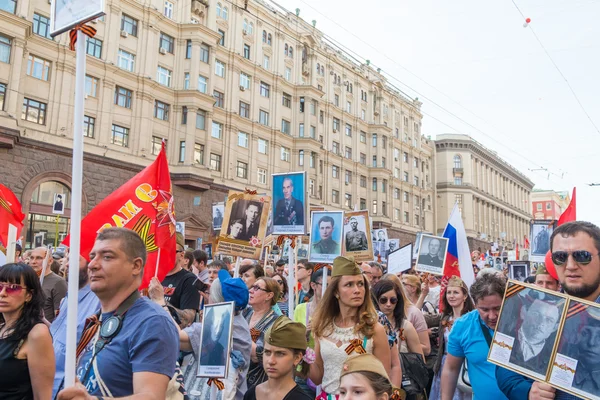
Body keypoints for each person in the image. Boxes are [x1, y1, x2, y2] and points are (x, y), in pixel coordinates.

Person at [57, 227, 179, 399]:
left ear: (136, 266)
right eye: (92, 257)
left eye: (107, 257)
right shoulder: (96, 320)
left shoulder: (152, 322)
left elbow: (150, 396)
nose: (92, 264)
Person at [496, 221, 600, 400]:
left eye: (582, 256)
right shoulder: (535, 307)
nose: (570, 265)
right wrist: (527, 391)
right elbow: (504, 366)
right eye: (560, 257)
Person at [308, 256, 392, 397]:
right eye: (349, 285)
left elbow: (383, 381)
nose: (357, 290)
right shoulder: (321, 327)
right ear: (336, 292)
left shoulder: (374, 329)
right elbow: (317, 378)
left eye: (360, 284)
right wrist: (300, 355)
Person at [178, 269, 252, 400]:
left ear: (217, 299)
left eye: (212, 291)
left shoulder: (214, 328)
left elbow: (173, 336)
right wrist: (213, 300)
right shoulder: (240, 321)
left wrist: (159, 300)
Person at [441, 270, 507, 400]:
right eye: (485, 310)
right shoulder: (462, 327)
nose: (492, 316)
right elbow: (451, 369)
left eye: (497, 308)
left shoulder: (520, 323)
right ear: (475, 305)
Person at [0, 263, 55, 399]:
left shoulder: (37, 333)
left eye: (13, 288)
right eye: (0, 286)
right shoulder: (2, 327)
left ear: (29, 295)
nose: (2, 293)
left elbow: (43, 396)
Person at [51, 254, 101, 398]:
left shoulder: (99, 300)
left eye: (74, 258)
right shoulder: (69, 295)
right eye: (67, 259)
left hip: (70, 390)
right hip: (49, 386)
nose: (66, 264)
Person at [244, 316, 311, 400]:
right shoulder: (251, 394)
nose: (271, 361)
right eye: (267, 352)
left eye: (280, 354)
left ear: (297, 358)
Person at [430, 276, 475, 400]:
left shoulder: (472, 319)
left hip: (463, 365)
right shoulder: (444, 318)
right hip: (444, 364)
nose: (451, 296)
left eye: (456, 292)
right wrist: (423, 295)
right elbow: (417, 317)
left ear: (465, 296)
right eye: (449, 292)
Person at [294, 268, 331, 398]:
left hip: (328, 373)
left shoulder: (335, 312)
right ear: (313, 285)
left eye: (332, 286)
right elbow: (293, 341)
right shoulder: (301, 309)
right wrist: (306, 332)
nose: (328, 289)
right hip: (305, 372)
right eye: (325, 285)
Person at [151, 233, 201, 328]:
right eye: (161, 251)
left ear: (182, 255)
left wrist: (161, 300)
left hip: (173, 337)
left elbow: (188, 319)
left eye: (170, 251)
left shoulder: (189, 279)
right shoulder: (154, 277)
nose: (164, 255)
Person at [242, 277, 280, 388]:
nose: (251, 290)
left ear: (269, 295)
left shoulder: (276, 322)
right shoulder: (245, 312)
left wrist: (238, 337)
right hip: (236, 378)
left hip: (256, 383)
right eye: (252, 286)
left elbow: (263, 355)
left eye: (257, 288)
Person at [29, 247, 67, 322]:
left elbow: (60, 316)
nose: (33, 261)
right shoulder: (28, 280)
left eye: (38, 258)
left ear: (50, 261)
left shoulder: (58, 282)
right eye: (31, 258)